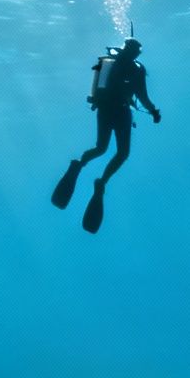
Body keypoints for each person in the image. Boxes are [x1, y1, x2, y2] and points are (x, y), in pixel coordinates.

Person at [51, 38, 160, 232]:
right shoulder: (136, 69)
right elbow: (142, 96)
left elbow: (138, 95)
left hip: (107, 109)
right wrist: (153, 111)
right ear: (135, 51)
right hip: (119, 111)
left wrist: (152, 110)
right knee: (120, 153)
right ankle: (100, 182)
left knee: (101, 148)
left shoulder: (114, 63)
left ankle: (79, 165)